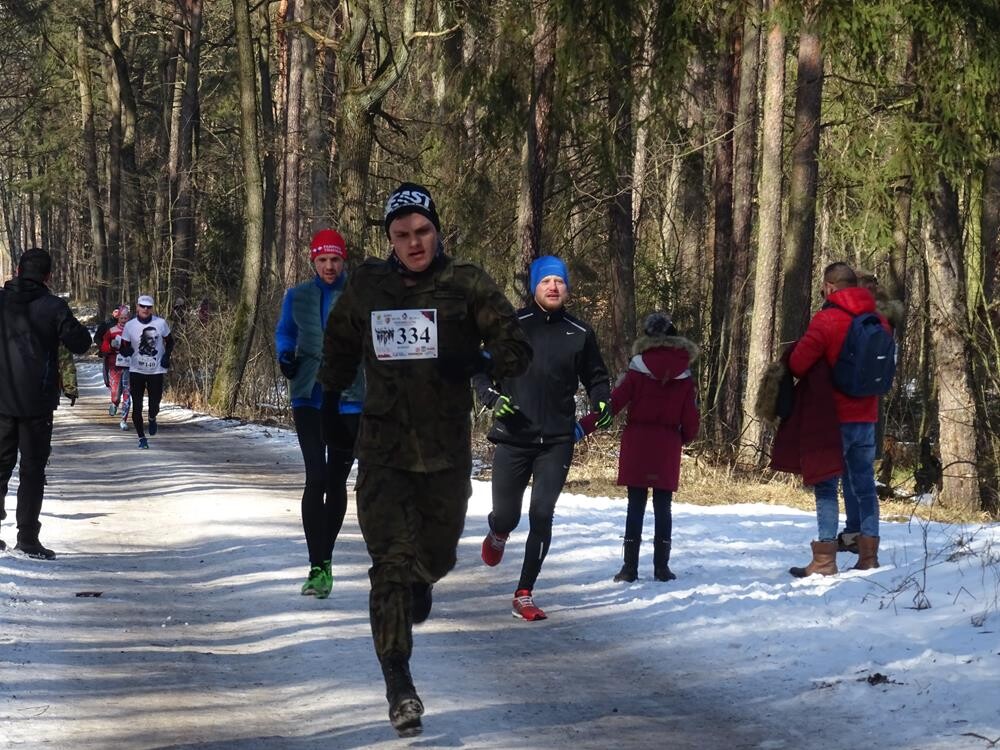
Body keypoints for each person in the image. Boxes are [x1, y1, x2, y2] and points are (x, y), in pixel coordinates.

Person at [319, 182, 531, 737]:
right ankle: (399, 686)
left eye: (422, 232)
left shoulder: (466, 283)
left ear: (437, 231)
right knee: (387, 568)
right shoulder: (369, 283)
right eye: (402, 235)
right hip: (383, 452)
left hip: (444, 456)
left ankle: (423, 579)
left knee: (432, 559)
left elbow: (517, 344)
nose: (414, 243)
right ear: (390, 240)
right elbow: (340, 344)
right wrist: (328, 405)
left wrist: (481, 358)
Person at [472, 254, 611, 621]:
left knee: (542, 514)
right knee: (508, 515)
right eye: (546, 281)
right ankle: (498, 532)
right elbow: (481, 371)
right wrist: (491, 397)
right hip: (513, 437)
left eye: (560, 282)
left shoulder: (580, 333)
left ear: (567, 289)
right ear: (535, 285)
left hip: (556, 440)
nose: (553, 287)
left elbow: (597, 377)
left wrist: (601, 400)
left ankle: (524, 593)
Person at [577, 312, 699, 583]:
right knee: (663, 506)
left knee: (635, 505)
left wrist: (581, 427)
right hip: (667, 446)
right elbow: (691, 420)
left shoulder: (636, 369)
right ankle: (661, 568)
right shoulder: (685, 375)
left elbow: (611, 406)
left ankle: (629, 568)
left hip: (638, 445)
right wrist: (682, 438)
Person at [275, 228, 364, 600]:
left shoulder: (361, 297)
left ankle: (324, 560)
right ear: (313, 261)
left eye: (335, 259)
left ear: (344, 261)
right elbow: (285, 334)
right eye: (322, 260)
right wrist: (285, 357)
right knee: (316, 476)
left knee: (336, 482)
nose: (329, 266)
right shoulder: (297, 296)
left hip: (350, 399)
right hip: (309, 396)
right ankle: (318, 565)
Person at [786, 262, 891, 577]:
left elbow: (798, 363)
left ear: (830, 287)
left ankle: (824, 560)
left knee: (827, 485)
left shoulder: (827, 319)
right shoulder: (880, 321)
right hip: (867, 416)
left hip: (833, 419)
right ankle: (869, 555)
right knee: (864, 484)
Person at [0, 248, 92, 558]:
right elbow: (81, 343)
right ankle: (27, 538)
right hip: (37, 403)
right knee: (32, 469)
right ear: (48, 276)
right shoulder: (54, 307)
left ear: (16, 270)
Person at [119, 295, 173, 449]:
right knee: (137, 405)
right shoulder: (130, 325)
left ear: (152, 308)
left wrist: (166, 356)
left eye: (149, 307)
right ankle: (141, 438)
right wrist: (126, 351)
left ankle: (152, 417)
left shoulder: (160, 323)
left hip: (156, 371)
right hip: (136, 370)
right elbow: (123, 347)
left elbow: (170, 342)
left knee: (154, 403)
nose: (145, 309)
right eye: (143, 306)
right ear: (137, 307)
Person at [100, 305, 133, 429]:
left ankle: (123, 420)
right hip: (115, 365)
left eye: (126, 318)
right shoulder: (112, 331)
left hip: (129, 366)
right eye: (122, 318)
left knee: (127, 393)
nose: (124, 321)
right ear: (118, 318)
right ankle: (114, 403)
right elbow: (103, 347)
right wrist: (111, 346)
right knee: (115, 394)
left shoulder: (134, 331)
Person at [93, 306, 120, 388]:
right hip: (108, 351)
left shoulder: (126, 323)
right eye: (115, 311)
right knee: (107, 368)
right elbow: (96, 337)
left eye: (119, 311)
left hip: (122, 351)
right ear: (112, 313)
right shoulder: (106, 324)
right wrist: (103, 346)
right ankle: (108, 383)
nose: (117, 313)